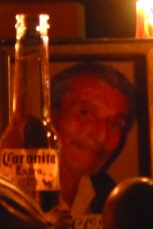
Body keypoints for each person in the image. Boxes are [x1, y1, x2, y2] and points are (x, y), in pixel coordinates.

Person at [49, 61, 136, 215]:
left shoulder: (117, 205)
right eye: (85, 113)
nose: (102, 137)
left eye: (115, 124)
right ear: (50, 113)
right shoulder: (15, 191)